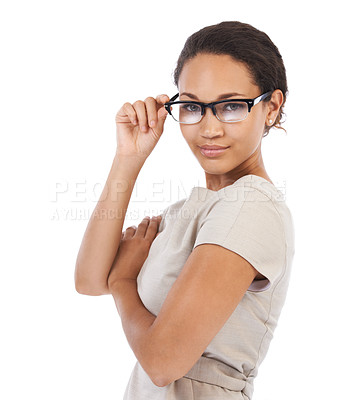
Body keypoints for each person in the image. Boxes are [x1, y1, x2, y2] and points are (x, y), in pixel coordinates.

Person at [74, 21, 295, 400]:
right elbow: (90, 280)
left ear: (271, 107)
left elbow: (162, 363)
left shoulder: (251, 206)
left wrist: (124, 283)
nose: (208, 129)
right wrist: (129, 158)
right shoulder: (192, 211)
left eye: (230, 107)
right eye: (193, 106)